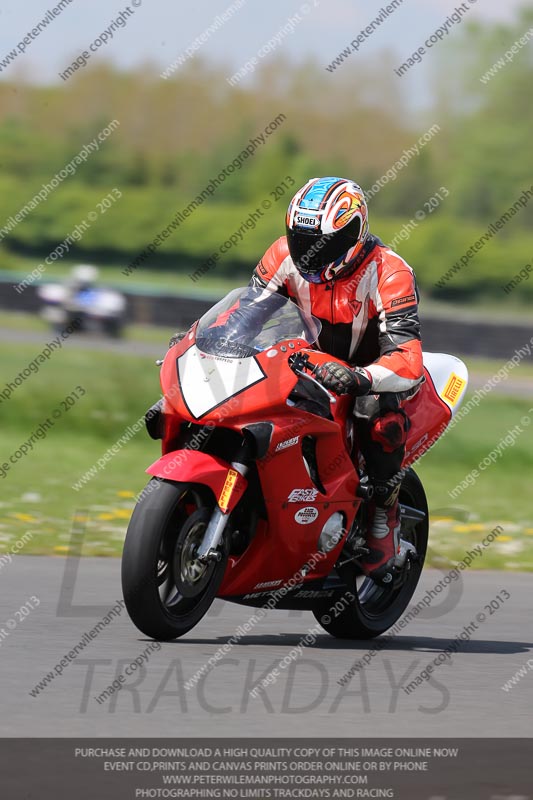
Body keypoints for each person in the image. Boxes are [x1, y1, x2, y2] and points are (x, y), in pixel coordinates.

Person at [248, 177, 424, 585]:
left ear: (354, 231)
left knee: (378, 418)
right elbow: (246, 315)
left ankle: (384, 523)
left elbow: (407, 357)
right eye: (301, 238)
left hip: (368, 373)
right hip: (300, 363)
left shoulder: (389, 271)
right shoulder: (281, 255)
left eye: (324, 243)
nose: (310, 252)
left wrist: (360, 377)